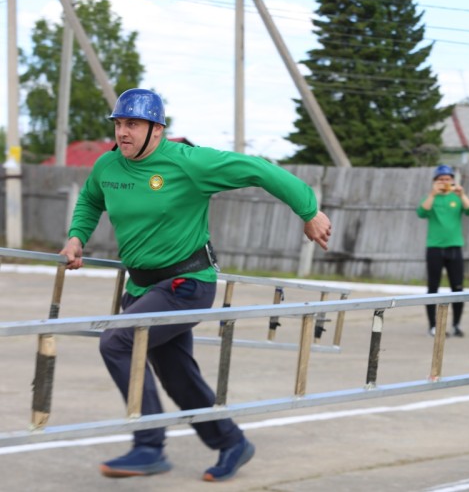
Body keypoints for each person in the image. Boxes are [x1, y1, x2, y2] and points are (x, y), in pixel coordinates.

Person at [59, 88, 332, 482]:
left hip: (186, 284)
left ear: (157, 130)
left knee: (118, 341)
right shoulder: (108, 166)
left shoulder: (188, 162)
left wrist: (309, 210)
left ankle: (149, 445)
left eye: (132, 124)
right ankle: (231, 442)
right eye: (119, 124)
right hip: (142, 289)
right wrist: (76, 237)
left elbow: (259, 168)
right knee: (176, 375)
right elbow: (90, 200)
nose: (123, 132)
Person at [417, 164, 469, 337]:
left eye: (448, 179)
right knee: (432, 288)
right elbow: (422, 212)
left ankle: (456, 325)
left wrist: (461, 194)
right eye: (441, 179)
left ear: (452, 180)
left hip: (454, 247)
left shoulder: (457, 197)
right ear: (435, 181)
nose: (444, 182)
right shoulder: (430, 198)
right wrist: (432, 194)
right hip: (435, 248)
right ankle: (433, 326)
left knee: (457, 288)